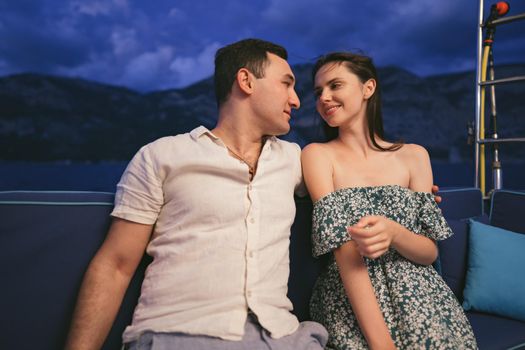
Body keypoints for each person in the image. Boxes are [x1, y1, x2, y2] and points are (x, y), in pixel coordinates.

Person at [65, 38, 328, 350]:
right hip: (180, 335)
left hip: (283, 338)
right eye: (286, 84)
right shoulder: (162, 156)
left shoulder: (294, 160)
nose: (296, 100)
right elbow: (116, 265)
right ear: (246, 81)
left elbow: (355, 183)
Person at [301, 52, 477, 350]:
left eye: (335, 85)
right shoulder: (317, 155)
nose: (324, 98)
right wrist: (382, 344)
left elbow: (428, 253)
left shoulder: (415, 155)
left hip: (422, 293)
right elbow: (345, 253)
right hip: (352, 295)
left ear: (368, 88)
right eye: (319, 92)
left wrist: (394, 233)